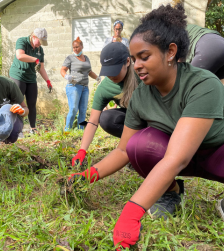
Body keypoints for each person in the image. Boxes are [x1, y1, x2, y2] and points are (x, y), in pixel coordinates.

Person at [66, 4, 224, 250]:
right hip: (179, 158)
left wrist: (132, 211)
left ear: (170, 52)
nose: (137, 65)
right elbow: (122, 151)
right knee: (139, 144)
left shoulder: (202, 84)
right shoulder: (141, 96)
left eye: (145, 56)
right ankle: (171, 192)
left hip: (216, 155)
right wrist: (85, 177)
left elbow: (176, 158)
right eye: (133, 58)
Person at [71, 42, 141, 166]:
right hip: (134, 122)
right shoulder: (105, 87)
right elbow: (93, 122)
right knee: (107, 118)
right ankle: (135, 148)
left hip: (153, 121)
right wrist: (82, 151)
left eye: (115, 70)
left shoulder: (142, 75)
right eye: (108, 71)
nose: (111, 75)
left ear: (128, 62)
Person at [9, 28, 52, 134]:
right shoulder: (22, 41)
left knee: (32, 103)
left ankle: (33, 128)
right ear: (34, 37)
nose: (40, 44)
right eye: (40, 41)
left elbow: (41, 68)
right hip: (18, 75)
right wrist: (34, 59)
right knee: (18, 103)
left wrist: (48, 81)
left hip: (31, 77)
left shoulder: (39, 49)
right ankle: (17, 129)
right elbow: (20, 55)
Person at [60, 37, 101, 131]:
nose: (75, 49)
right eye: (74, 47)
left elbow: (89, 71)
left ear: (82, 46)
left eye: (77, 47)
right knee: (74, 108)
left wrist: (97, 78)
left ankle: (81, 130)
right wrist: (67, 76)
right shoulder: (70, 58)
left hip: (85, 88)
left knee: (83, 110)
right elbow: (62, 70)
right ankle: (67, 130)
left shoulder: (86, 58)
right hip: (74, 87)